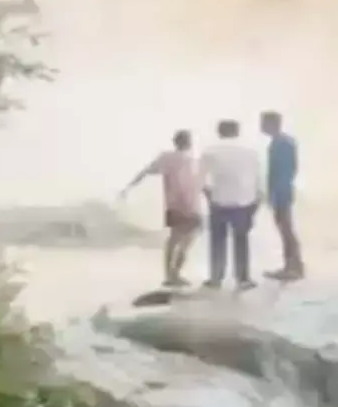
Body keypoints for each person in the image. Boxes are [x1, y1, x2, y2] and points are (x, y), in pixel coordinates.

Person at [120, 129, 203, 287]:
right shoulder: (192, 160)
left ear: (175, 142)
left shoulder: (167, 158)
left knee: (175, 240)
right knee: (185, 241)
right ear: (189, 142)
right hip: (191, 206)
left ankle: (170, 275)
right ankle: (174, 274)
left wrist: (128, 188)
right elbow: (200, 184)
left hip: (176, 206)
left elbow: (145, 172)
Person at [199, 119, 262, 290]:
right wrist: (256, 201)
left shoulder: (210, 152)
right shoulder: (251, 152)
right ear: (237, 131)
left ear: (219, 132)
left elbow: (201, 180)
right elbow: (257, 179)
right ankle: (243, 278)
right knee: (241, 240)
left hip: (219, 201)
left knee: (217, 241)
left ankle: (215, 278)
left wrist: (209, 197)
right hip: (244, 201)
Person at [260, 110, 304, 281]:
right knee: (286, 230)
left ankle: (294, 266)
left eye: (263, 123)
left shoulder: (281, 144)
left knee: (286, 230)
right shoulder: (284, 142)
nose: (261, 127)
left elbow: (282, 172)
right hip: (283, 191)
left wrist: (275, 195)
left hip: (281, 193)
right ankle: (292, 265)